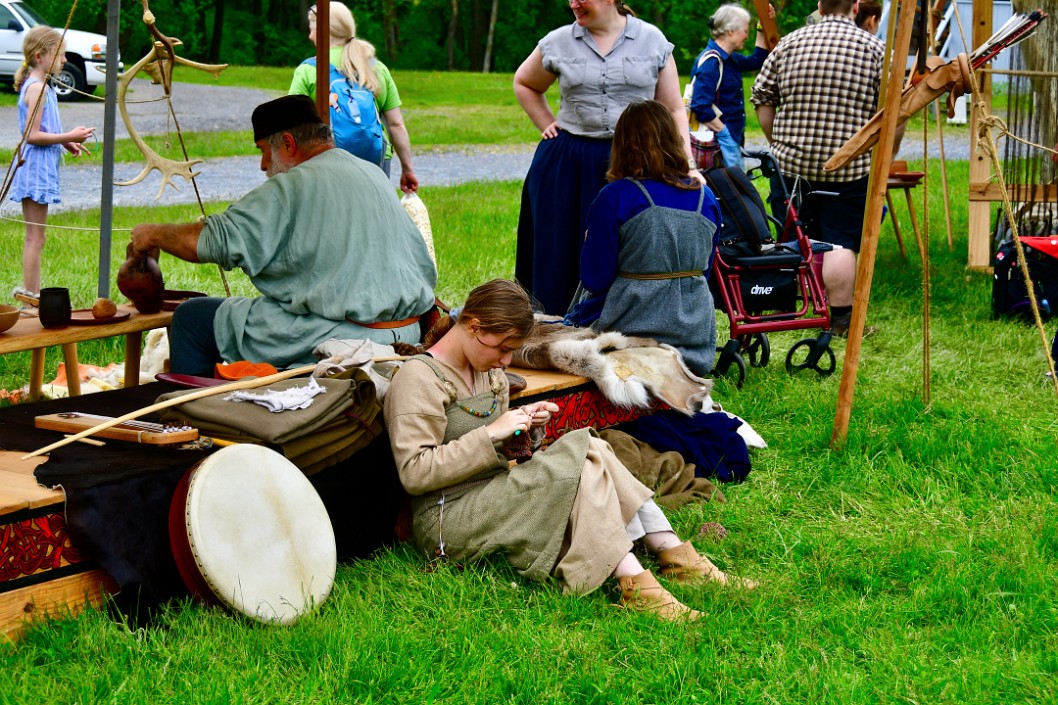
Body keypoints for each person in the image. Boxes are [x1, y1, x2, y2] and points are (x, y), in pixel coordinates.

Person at [384, 279, 753, 621]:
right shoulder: (418, 379)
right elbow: (415, 473)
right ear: (475, 327)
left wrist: (526, 431)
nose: (505, 362)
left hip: (493, 492)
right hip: (447, 517)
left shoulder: (489, 372)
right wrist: (491, 433)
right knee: (583, 456)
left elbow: (504, 453)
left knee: (591, 446)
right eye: (502, 349)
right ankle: (643, 581)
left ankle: (670, 555)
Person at [130, 95, 436, 376]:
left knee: (192, 319)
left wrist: (153, 234)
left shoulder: (292, 186)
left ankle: (196, 418)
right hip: (406, 332)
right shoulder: (371, 173)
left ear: (288, 143)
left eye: (264, 151)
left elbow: (212, 241)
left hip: (342, 335)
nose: (263, 164)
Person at [513, 0, 695, 316]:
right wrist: (546, 122)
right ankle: (553, 326)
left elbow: (674, 108)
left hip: (635, 163)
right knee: (558, 249)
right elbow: (525, 83)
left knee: (627, 246)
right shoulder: (557, 41)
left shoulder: (652, 39)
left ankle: (620, 322)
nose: (574, 3)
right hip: (567, 164)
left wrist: (687, 163)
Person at [751, 0, 885, 338]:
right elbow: (891, 112)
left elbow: (763, 97)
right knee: (840, 242)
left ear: (820, 7)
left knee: (790, 235)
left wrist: (778, 143)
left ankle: (781, 304)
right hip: (848, 167)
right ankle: (840, 320)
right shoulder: (875, 49)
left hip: (792, 165)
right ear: (856, 7)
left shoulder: (790, 43)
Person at [570, 100, 722, 377]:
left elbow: (595, 279)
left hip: (625, 331)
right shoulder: (706, 197)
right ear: (674, 139)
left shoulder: (616, 196)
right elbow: (705, 271)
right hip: (692, 336)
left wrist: (592, 242)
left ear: (623, 145)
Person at [288, 1, 418, 194]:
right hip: (376, 159)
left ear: (324, 30)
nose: (310, 36)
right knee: (374, 218)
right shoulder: (377, 68)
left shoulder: (308, 70)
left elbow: (290, 122)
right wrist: (408, 169)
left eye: (312, 29)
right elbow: (396, 125)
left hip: (327, 161)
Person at [9, 26, 94, 302]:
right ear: (39, 56)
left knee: (37, 238)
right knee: (35, 238)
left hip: (38, 167)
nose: (64, 60)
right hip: (34, 169)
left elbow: (43, 129)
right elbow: (32, 135)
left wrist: (64, 142)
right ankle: (31, 299)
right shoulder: (36, 89)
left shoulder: (40, 86)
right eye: (60, 54)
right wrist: (70, 134)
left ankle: (31, 297)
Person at [688, 3, 773, 172]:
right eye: (745, 31)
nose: (747, 36)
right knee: (736, 191)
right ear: (731, 31)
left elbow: (756, 60)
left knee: (736, 189)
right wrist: (725, 132)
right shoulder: (712, 62)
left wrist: (762, 26)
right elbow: (700, 105)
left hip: (729, 138)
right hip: (718, 143)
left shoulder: (729, 59)